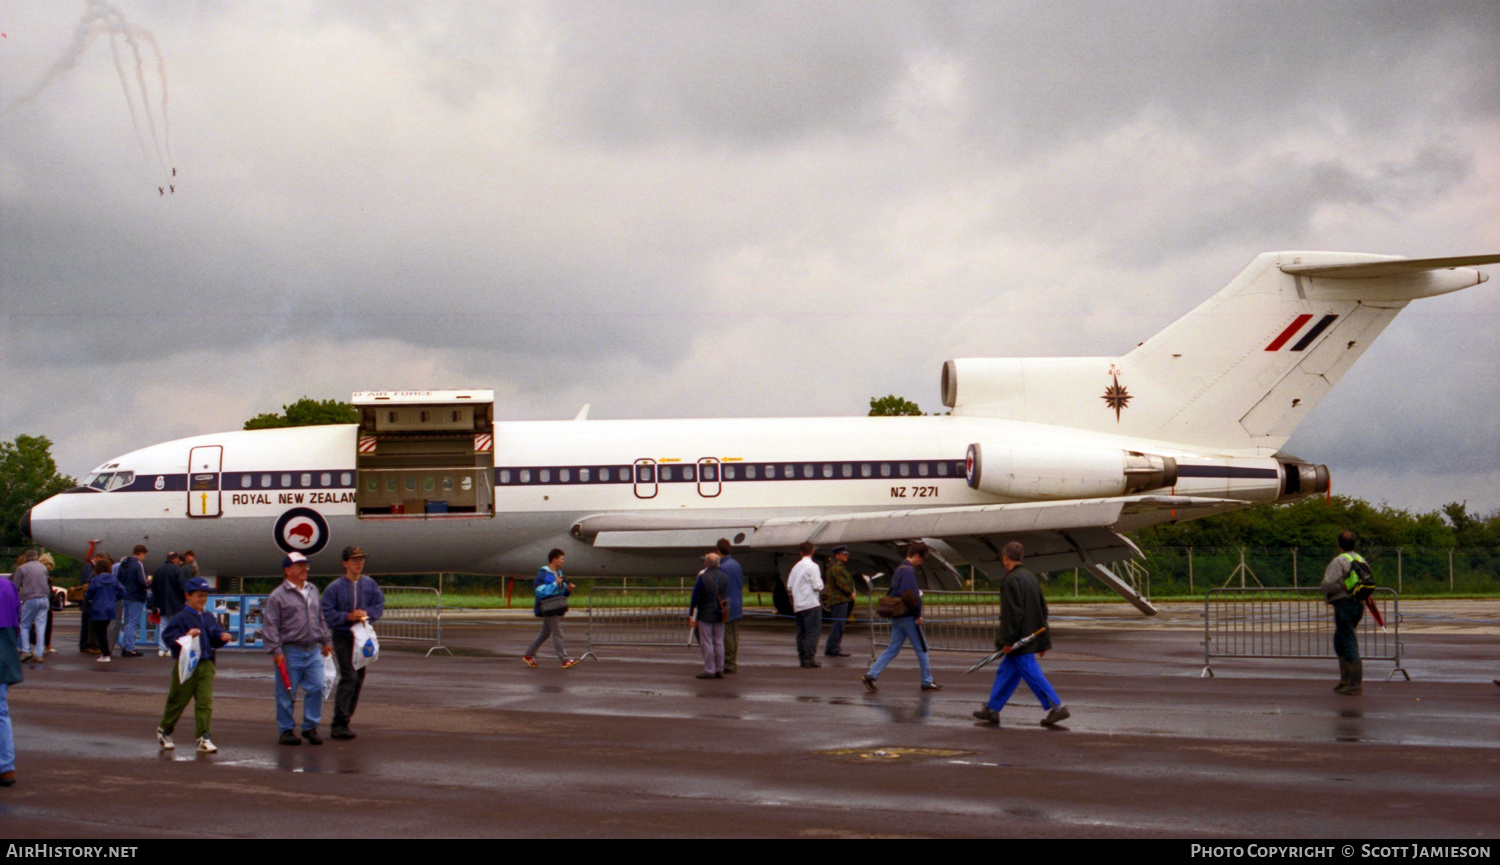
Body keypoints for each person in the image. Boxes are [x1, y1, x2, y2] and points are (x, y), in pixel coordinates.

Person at [972, 541, 1068, 727]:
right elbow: (1043, 610)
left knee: (1032, 674)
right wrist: (1042, 642)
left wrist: (1006, 641)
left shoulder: (1011, 580)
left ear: (1006, 557)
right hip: (1029, 637)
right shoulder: (1030, 577)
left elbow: (1012, 614)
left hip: (1018, 640)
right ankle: (992, 709)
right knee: (1006, 672)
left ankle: (1057, 707)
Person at [263, 551, 333, 745]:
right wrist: (276, 651)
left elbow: (320, 618)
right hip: (290, 651)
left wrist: (326, 641)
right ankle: (286, 730)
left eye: (306, 565)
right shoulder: (277, 596)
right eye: (299, 565)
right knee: (286, 691)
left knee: (318, 687)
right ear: (288, 570)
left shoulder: (312, 590)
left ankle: (310, 727)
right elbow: (270, 625)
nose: (304, 569)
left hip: (312, 650)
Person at [157, 577, 232, 753]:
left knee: (205, 702)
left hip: (206, 664)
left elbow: (215, 637)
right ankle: (164, 730)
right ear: (188, 596)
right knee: (178, 700)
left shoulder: (209, 617)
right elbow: (168, 638)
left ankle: (203, 737)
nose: (203, 599)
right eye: (199, 595)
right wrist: (186, 636)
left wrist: (222, 638)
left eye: (205, 596)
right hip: (186, 665)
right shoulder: (180, 617)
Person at [320, 546, 385, 739]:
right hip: (343, 636)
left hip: (361, 636)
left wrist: (368, 614)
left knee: (358, 678)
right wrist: (347, 616)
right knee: (349, 677)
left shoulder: (370, 584)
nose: (359, 563)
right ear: (345, 563)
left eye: (361, 559)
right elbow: (327, 612)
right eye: (354, 559)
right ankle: (338, 724)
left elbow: (378, 604)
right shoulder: (335, 587)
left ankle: (345, 720)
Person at [862, 543, 941, 692]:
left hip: (897, 616)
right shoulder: (908, 572)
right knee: (922, 649)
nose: (921, 563)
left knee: (892, 649)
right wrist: (918, 614)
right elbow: (909, 594)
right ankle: (926, 681)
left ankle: (871, 675)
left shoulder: (899, 570)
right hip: (908, 617)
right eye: (922, 560)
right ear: (917, 556)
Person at [1320, 530, 1367, 696]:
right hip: (1358, 604)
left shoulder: (1339, 561)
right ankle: (1345, 681)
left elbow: (1328, 583)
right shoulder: (1360, 559)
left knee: (1347, 641)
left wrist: (1327, 591)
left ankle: (1354, 684)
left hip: (1344, 604)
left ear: (1339, 544)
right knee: (1340, 640)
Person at [522, 549, 578, 668]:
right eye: (561, 558)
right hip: (547, 607)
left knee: (545, 633)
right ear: (554, 559)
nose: (563, 561)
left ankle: (528, 655)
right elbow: (540, 591)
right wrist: (555, 584)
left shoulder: (558, 573)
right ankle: (564, 659)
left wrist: (567, 590)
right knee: (558, 632)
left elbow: (559, 593)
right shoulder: (543, 574)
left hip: (554, 606)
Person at [688, 553, 728, 679]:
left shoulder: (703, 577)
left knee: (707, 642)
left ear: (706, 564)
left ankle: (709, 669)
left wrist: (691, 615)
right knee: (719, 642)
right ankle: (719, 668)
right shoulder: (725, 577)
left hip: (705, 613)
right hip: (720, 613)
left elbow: (695, 598)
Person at [787, 542, 824, 667]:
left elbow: (789, 586)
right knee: (813, 632)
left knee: (801, 633)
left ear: (800, 553)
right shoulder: (813, 566)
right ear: (812, 551)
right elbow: (817, 585)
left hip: (798, 605)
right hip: (811, 603)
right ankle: (809, 658)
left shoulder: (795, 567)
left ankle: (802, 658)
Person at [0, 570, 21, 786]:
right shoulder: (7, 586)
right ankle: (6, 767)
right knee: (1, 711)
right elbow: (17, 619)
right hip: (3, 650)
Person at [12, 552, 50, 665]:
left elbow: (15, 586)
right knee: (41, 626)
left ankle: (26, 651)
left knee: (24, 625)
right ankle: (39, 654)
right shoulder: (43, 567)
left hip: (30, 598)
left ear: (25, 558)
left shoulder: (22, 568)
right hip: (44, 599)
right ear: (36, 557)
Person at [716, 539, 745, 674]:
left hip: (726, 604)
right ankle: (732, 661)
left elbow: (719, 586)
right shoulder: (736, 564)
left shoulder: (722, 567)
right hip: (737, 602)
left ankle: (729, 663)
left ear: (718, 551)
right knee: (734, 635)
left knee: (727, 636)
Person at [151, 552, 188, 657]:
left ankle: (161, 649)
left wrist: (158, 600)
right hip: (176, 604)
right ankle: (171, 649)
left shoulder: (158, 570)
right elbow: (182, 587)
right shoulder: (178, 570)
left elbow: (154, 587)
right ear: (175, 559)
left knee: (163, 625)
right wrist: (184, 599)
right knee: (175, 626)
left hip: (162, 603)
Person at [84, 557, 121, 663]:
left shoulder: (95, 580)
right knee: (104, 630)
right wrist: (116, 598)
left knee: (100, 632)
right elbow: (122, 591)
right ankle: (105, 653)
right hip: (110, 608)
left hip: (98, 608)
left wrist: (91, 599)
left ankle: (105, 654)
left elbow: (90, 593)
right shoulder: (114, 579)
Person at [116, 545, 149, 658]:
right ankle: (130, 647)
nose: (144, 557)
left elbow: (118, 578)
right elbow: (141, 581)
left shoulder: (124, 564)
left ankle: (125, 646)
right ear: (141, 553)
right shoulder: (138, 564)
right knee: (133, 623)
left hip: (125, 596)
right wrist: (148, 583)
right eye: (144, 555)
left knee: (128, 622)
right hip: (135, 596)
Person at [822, 545, 856, 658]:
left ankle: (830, 648)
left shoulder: (834, 566)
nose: (846, 556)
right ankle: (834, 648)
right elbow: (842, 584)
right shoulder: (837, 568)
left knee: (837, 625)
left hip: (838, 599)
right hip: (840, 599)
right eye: (843, 554)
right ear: (837, 555)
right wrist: (849, 593)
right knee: (839, 625)